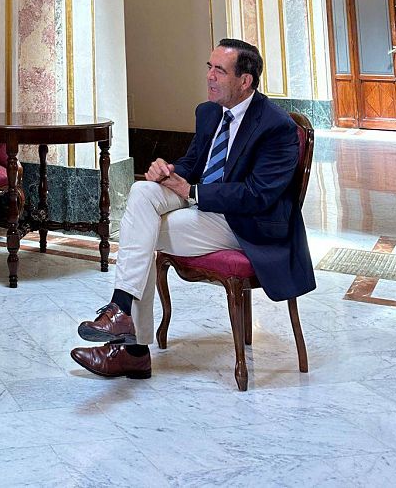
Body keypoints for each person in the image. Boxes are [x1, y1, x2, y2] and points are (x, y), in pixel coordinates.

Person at [69, 39, 316, 378]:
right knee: (143, 191)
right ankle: (121, 310)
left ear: (245, 81)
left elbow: (258, 196)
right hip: (208, 204)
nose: (210, 77)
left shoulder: (276, 126)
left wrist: (193, 191)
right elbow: (194, 162)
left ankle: (133, 350)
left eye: (220, 70)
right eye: (209, 68)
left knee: (142, 231)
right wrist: (168, 172)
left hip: (247, 224)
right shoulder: (210, 112)